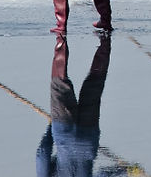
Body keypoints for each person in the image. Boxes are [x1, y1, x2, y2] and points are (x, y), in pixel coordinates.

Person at [36, 37, 111, 177]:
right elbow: (42, 154)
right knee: (59, 84)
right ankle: (61, 35)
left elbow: (103, 174)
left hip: (88, 140)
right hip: (63, 132)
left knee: (95, 82)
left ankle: (106, 39)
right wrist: (50, 127)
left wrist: (128, 172)